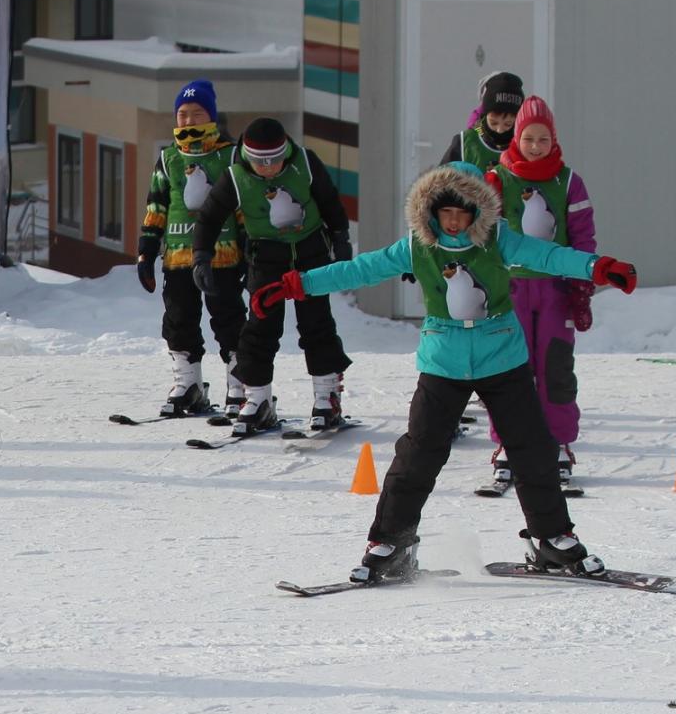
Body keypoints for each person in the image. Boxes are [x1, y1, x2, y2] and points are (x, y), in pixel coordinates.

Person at [252, 162, 638, 584]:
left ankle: (552, 539)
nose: (454, 222)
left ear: (479, 212)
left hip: (501, 357)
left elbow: (548, 254)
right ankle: (391, 543)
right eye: (445, 213)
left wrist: (599, 267)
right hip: (443, 362)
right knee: (419, 452)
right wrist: (297, 284)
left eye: (463, 213)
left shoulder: (498, 241)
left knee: (532, 448)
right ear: (430, 212)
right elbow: (360, 269)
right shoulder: (418, 247)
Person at [188, 116, 354, 435]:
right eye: (259, 161)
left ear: (286, 152)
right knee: (260, 329)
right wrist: (201, 257)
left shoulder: (305, 162)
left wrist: (341, 240)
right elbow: (209, 218)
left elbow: (331, 202)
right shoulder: (236, 176)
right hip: (266, 258)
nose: (267, 168)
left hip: (310, 254)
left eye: (275, 159)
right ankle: (258, 399)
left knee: (316, 323)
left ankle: (326, 396)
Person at [484, 95, 597, 488]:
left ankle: (559, 442)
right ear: (517, 137)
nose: (535, 146)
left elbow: (583, 235)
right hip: (510, 290)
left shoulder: (568, 181)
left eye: (543, 139)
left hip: (554, 290)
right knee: (510, 371)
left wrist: (581, 286)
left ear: (553, 140)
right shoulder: (497, 179)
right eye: (529, 138)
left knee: (555, 369)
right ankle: (508, 444)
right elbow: (481, 237)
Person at [136, 79, 245, 417]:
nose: (189, 121)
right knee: (179, 319)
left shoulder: (230, 156)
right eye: (183, 114)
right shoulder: (168, 159)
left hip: (222, 255)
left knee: (228, 320)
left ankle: (240, 385)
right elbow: (156, 209)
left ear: (211, 116)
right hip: (178, 258)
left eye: (197, 114)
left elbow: (244, 208)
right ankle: (188, 383)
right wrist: (146, 252)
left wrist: (251, 250)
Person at [441, 71, 525, 170]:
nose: (499, 129)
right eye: (493, 122)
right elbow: (440, 179)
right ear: (485, 113)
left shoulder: (523, 145)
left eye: (508, 124)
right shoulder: (466, 143)